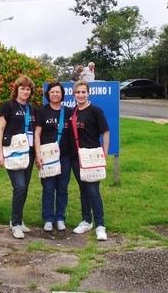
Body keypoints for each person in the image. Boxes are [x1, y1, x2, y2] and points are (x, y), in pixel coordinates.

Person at [0, 75, 36, 239]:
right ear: (16, 89)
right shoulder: (8, 106)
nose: (25, 91)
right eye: (22, 88)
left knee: (24, 188)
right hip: (12, 152)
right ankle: (16, 224)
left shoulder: (31, 109)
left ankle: (16, 219)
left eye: (28, 89)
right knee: (19, 186)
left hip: (28, 153)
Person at [70, 80, 110, 241]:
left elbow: (106, 132)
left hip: (92, 157)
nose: (80, 95)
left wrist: (104, 153)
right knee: (83, 190)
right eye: (78, 92)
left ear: (88, 93)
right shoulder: (73, 112)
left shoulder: (95, 111)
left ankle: (100, 225)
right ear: (74, 94)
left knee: (93, 191)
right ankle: (86, 220)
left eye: (83, 92)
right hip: (76, 158)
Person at [34, 82, 72, 232]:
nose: (55, 94)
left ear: (62, 94)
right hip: (47, 157)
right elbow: (37, 133)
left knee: (62, 189)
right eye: (52, 92)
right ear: (48, 94)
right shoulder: (42, 111)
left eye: (58, 92)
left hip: (65, 157)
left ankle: (60, 217)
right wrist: (37, 155)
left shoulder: (68, 112)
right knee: (48, 189)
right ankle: (48, 219)